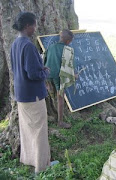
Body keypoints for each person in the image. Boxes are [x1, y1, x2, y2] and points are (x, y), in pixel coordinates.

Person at [10, 12, 50, 173]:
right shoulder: (28, 45)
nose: (35, 28)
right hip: (34, 95)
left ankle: (28, 159)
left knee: (27, 130)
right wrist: (46, 72)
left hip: (21, 93)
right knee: (40, 130)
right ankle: (41, 167)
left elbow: (16, 69)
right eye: (34, 25)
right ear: (28, 26)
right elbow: (33, 74)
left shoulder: (15, 44)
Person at [44, 29, 75, 128]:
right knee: (60, 98)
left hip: (47, 74)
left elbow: (44, 59)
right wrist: (74, 76)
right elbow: (68, 68)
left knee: (48, 94)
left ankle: (47, 116)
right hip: (59, 76)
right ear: (69, 41)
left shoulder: (51, 47)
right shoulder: (68, 50)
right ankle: (60, 122)